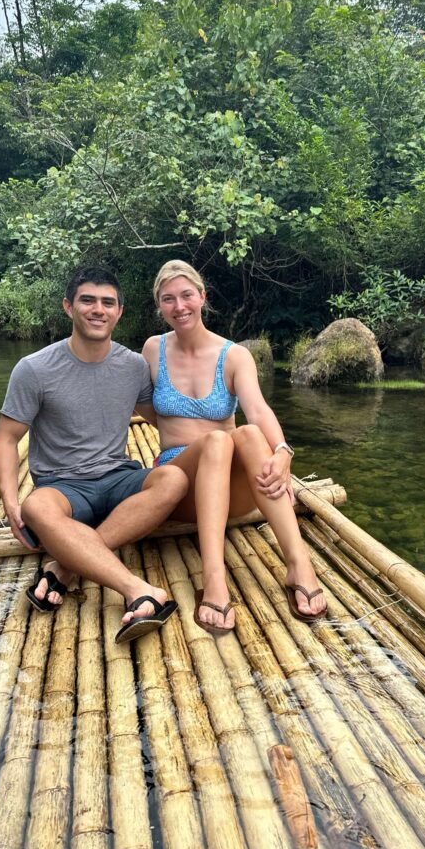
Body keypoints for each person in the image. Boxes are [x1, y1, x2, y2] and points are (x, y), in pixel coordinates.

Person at [0, 265, 189, 644]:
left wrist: (223, 428)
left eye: (107, 302)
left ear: (119, 312)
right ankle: (137, 589)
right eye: (88, 300)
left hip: (118, 476)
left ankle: (65, 565)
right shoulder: (33, 369)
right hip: (64, 487)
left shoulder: (133, 366)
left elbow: (164, 419)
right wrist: (11, 501)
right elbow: (5, 439)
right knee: (36, 508)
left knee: (174, 478)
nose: (98, 309)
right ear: (69, 307)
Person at [139, 260, 327, 635]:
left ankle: (298, 563)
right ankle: (214, 576)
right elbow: (139, 405)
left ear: (203, 296)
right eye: (168, 299)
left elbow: (257, 409)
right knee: (217, 440)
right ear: (159, 307)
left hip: (227, 488)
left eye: (187, 295)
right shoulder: (152, 350)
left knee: (249, 436)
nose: (180, 306)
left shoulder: (234, 355)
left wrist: (283, 453)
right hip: (176, 485)